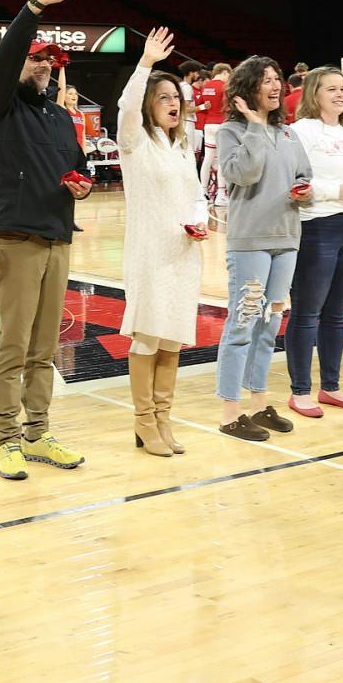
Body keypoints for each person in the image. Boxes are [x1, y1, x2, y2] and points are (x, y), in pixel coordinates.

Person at [0, 0, 92, 480]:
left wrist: (82, 185)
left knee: (46, 348)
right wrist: (34, 8)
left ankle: (38, 431)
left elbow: (81, 168)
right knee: (15, 344)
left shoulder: (61, 116)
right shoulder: (0, 107)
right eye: (35, 57)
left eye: (50, 60)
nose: (43, 65)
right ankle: (5, 436)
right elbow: (5, 62)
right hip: (16, 239)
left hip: (57, 238)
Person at [116, 28, 208, 455]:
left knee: (172, 337)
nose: (174, 104)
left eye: (177, 98)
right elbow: (127, 106)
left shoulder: (182, 146)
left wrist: (200, 220)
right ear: (150, 105)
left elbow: (195, 195)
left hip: (184, 252)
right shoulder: (134, 143)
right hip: (150, 252)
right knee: (148, 337)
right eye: (165, 98)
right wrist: (146, 65)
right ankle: (143, 422)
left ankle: (164, 419)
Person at [211, 57, 310, 442]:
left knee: (269, 325)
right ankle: (229, 412)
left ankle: (257, 403)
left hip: (287, 238)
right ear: (247, 89)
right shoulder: (230, 132)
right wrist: (253, 126)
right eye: (265, 80)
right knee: (242, 325)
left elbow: (304, 174)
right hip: (250, 241)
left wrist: (305, 187)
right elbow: (242, 174)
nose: (274, 86)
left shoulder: (289, 133)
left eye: (277, 79)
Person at [286, 66, 343, 418]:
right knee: (308, 310)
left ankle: (331, 386)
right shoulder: (300, 132)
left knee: (338, 313)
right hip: (316, 227)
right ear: (314, 94)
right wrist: (334, 191)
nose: (340, 95)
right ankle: (300, 391)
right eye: (331, 89)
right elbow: (296, 185)